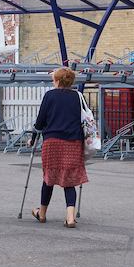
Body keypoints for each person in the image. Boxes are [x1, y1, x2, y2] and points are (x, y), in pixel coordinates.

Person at [30, 67, 87, 228]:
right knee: (69, 179)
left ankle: (41, 214)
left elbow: (40, 122)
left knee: (48, 178)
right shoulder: (78, 96)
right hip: (73, 142)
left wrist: (33, 138)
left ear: (58, 80)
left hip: (52, 142)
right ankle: (70, 217)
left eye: (54, 79)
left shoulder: (49, 96)